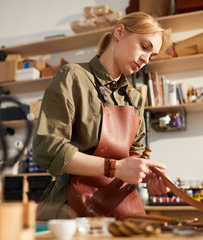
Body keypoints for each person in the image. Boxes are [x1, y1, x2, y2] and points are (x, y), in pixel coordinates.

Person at [32, 11, 171, 220]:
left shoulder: (134, 99)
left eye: (152, 56)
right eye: (144, 47)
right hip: (71, 209)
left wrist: (147, 174)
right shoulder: (73, 77)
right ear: (120, 32)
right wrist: (115, 168)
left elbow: (134, 156)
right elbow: (49, 149)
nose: (146, 59)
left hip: (121, 209)